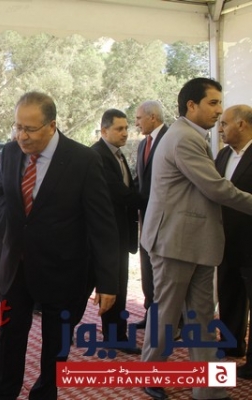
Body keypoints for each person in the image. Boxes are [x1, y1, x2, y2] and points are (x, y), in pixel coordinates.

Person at [0, 91, 120, 400]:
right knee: (10, 336)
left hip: (63, 271)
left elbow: (103, 225)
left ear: (52, 125)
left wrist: (108, 281)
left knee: (56, 344)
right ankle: (5, 393)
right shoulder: (11, 152)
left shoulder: (83, 160)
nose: (21, 136)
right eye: (17, 127)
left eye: (29, 129)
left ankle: (44, 393)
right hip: (16, 266)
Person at [140, 78, 252, 400]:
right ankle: (150, 374)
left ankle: (208, 388)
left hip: (197, 242)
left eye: (220, 103)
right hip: (174, 242)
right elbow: (216, 188)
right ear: (191, 105)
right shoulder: (183, 138)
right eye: (213, 103)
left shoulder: (191, 135)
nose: (219, 110)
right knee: (167, 314)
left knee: (201, 317)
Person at [91, 109, 143, 355]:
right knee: (110, 285)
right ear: (104, 130)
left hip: (119, 233)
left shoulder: (118, 154)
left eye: (126, 128)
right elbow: (120, 194)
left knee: (118, 285)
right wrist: (156, 200)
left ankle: (115, 335)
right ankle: (115, 337)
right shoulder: (98, 156)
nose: (125, 133)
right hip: (106, 234)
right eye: (119, 129)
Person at [215, 104, 252, 378]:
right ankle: (231, 345)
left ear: (241, 124)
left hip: (250, 242)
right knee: (228, 295)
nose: (220, 128)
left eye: (225, 123)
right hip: (225, 242)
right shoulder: (223, 155)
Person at [134, 100, 169, 329]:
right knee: (147, 269)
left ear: (153, 117)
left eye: (139, 118)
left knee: (164, 274)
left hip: (166, 220)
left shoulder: (170, 139)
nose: (136, 123)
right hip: (145, 218)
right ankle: (151, 314)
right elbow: (141, 181)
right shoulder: (141, 145)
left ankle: (171, 321)